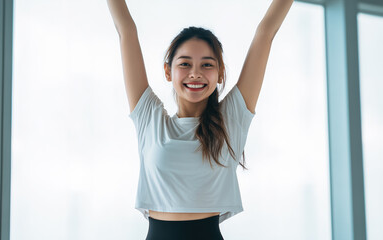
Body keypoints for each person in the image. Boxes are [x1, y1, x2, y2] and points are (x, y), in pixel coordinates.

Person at [107, 0, 294, 239]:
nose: (195, 73)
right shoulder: (149, 118)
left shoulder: (231, 118)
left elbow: (266, 33)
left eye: (207, 64)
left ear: (220, 73)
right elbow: (126, 30)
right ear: (168, 71)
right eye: (185, 64)